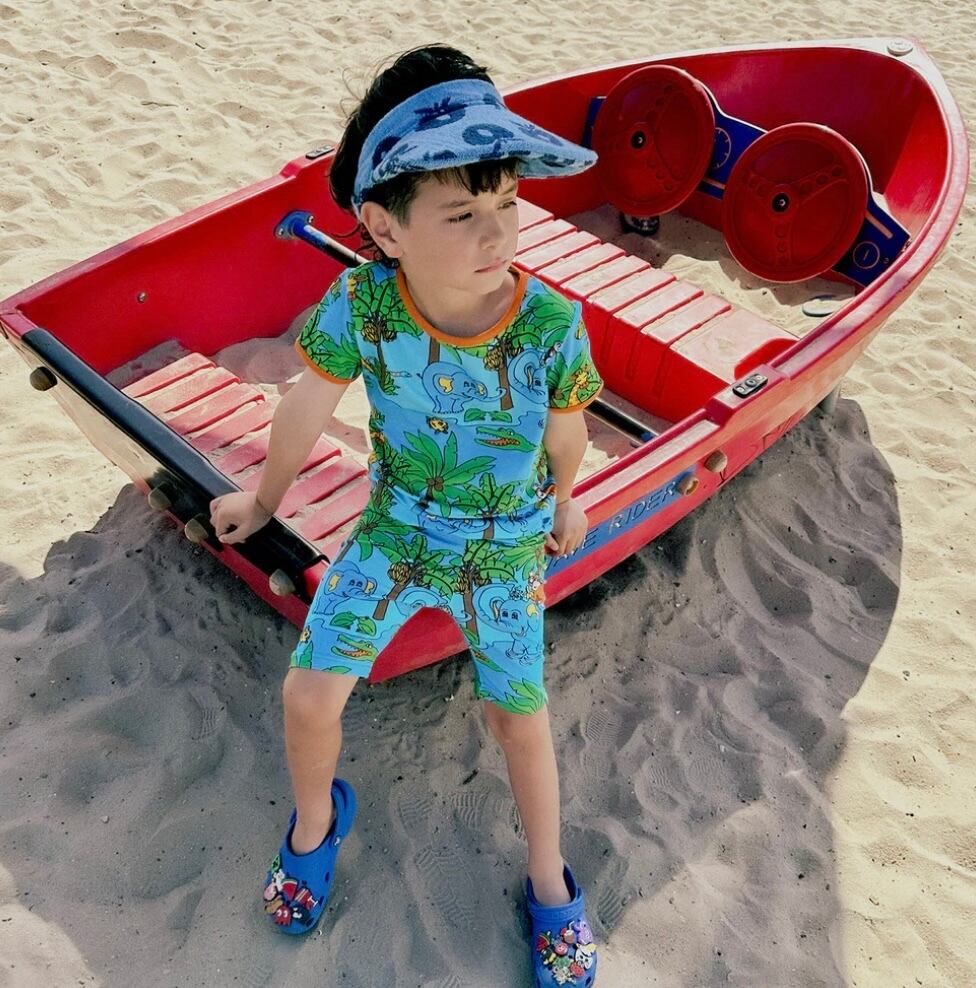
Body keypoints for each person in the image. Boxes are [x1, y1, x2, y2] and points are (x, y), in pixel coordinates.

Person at [210, 44, 603, 986]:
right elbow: (306, 405)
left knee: (518, 719)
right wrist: (263, 499)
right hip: (398, 528)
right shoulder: (365, 305)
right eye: (461, 213)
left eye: (507, 202)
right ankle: (316, 825)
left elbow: (568, 429)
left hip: (506, 542)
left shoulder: (550, 324)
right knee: (309, 696)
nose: (495, 233)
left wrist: (566, 497)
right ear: (386, 228)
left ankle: (549, 877)